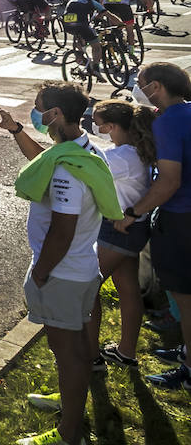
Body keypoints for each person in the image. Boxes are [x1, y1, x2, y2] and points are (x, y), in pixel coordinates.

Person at [0, 81, 121, 445]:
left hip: (62, 273)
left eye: (38, 108)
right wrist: (16, 130)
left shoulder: (67, 171)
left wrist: (41, 272)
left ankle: (69, 436)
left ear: (54, 114)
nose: (36, 114)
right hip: (81, 268)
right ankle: (69, 400)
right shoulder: (79, 151)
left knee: (68, 354)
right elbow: (42, 160)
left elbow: (62, 231)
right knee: (75, 347)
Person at [113, 62, 191, 390]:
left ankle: (189, 369)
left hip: (181, 218)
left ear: (156, 87)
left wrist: (133, 211)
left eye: (142, 84)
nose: (139, 89)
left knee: (186, 298)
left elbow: (169, 182)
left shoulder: (168, 122)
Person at [83, 99, 156, 371]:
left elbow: (86, 164)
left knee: (86, 289)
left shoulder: (121, 158)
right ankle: (126, 352)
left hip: (117, 230)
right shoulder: (131, 152)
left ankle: (91, 359)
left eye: (98, 124)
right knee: (128, 290)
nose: (95, 127)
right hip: (132, 229)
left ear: (111, 126)